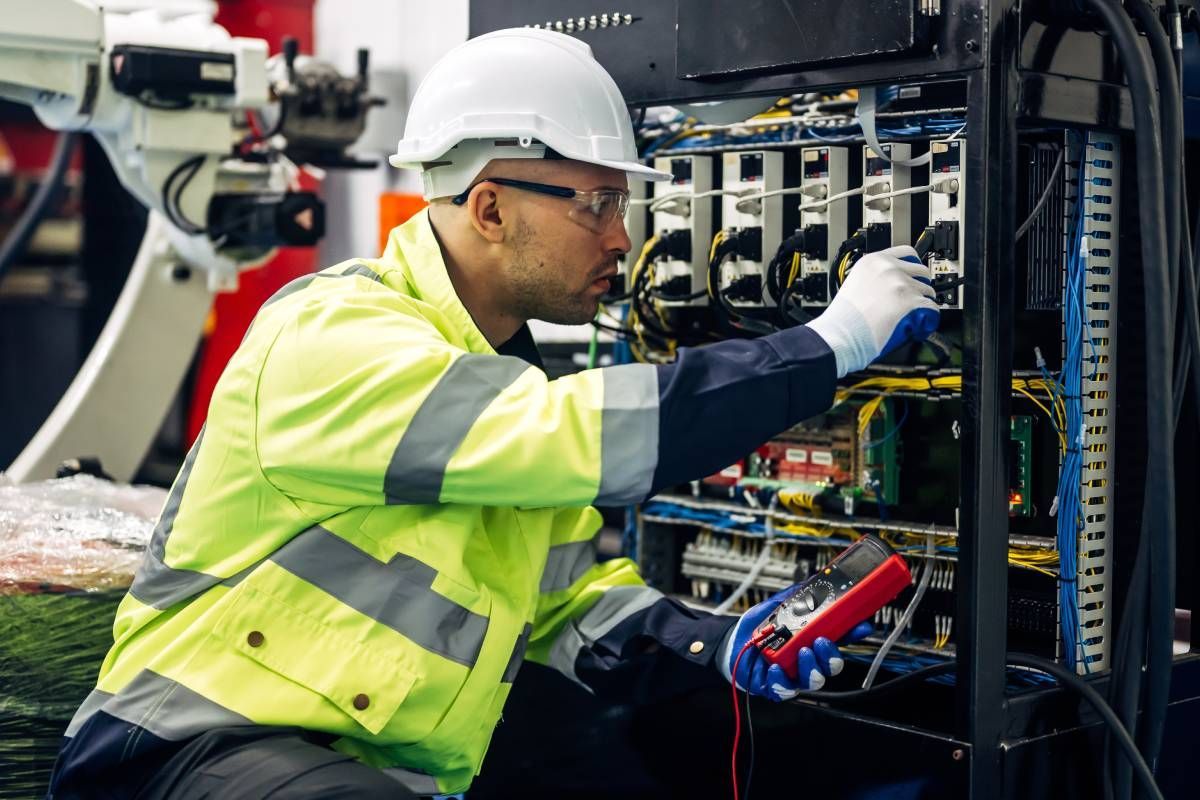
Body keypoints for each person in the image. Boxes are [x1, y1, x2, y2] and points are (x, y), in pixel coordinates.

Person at [48, 27, 938, 800]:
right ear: (489, 207)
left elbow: (560, 609)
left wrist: (719, 644)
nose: (622, 239)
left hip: (367, 766)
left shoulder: (500, 381)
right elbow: (575, 434)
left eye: (621, 206)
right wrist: (829, 346)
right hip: (181, 754)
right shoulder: (335, 334)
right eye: (596, 204)